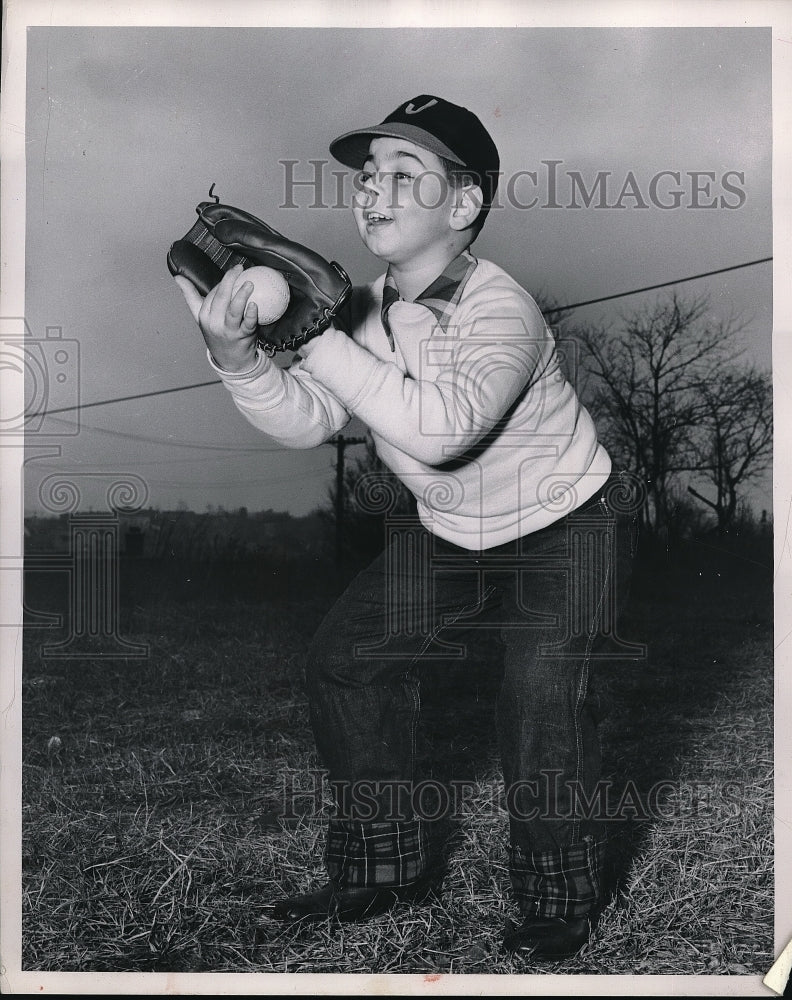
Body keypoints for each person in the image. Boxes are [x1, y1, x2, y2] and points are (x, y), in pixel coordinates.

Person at [174, 94, 637, 961]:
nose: (373, 191)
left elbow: (439, 431)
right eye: (367, 175)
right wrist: (236, 359)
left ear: (463, 207)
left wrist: (308, 332)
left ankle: (555, 900)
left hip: (567, 522)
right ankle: (382, 871)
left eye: (403, 174)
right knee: (346, 662)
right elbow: (312, 418)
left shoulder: (502, 309)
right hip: (452, 526)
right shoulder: (362, 306)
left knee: (538, 699)